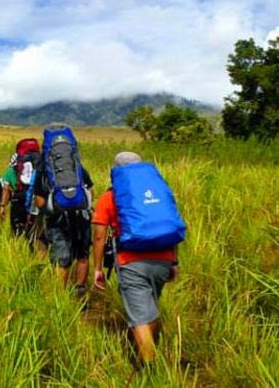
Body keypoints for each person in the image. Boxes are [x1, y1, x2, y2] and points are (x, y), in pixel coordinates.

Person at [91, 151, 180, 365]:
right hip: (164, 258)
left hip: (131, 262)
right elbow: (170, 224)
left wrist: (98, 268)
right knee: (149, 310)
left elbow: (99, 236)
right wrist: (174, 261)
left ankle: (148, 368)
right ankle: (143, 355)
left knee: (141, 317)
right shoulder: (159, 191)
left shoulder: (110, 197)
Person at [33, 156, 94, 295]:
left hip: (57, 220)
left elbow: (39, 202)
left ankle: (60, 296)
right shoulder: (79, 170)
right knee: (83, 256)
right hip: (81, 218)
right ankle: (80, 291)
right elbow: (90, 193)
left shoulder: (44, 173)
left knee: (61, 259)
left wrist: (51, 210)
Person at [0, 153, 29, 237]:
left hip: (17, 199)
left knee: (16, 222)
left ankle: (17, 240)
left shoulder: (9, 172)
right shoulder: (29, 169)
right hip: (29, 197)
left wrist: (3, 206)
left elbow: (5, 189)